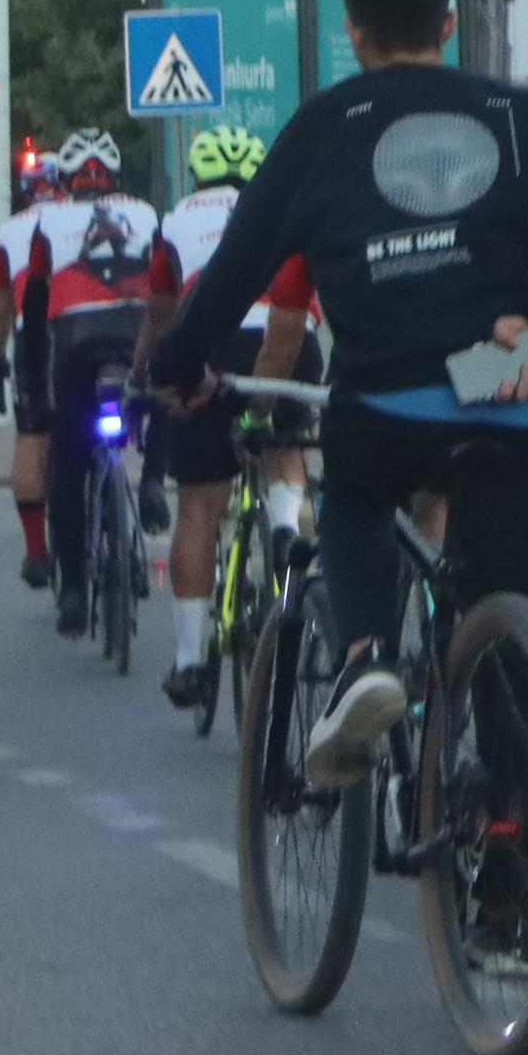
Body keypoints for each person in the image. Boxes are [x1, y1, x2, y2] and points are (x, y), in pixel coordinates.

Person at [155, 0, 528, 795]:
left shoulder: (322, 129)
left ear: (355, 31)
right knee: (505, 607)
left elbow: (236, 269)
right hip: (525, 396)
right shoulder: (519, 114)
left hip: (393, 404)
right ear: (449, 21)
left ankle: (367, 656)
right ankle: (510, 859)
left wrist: (179, 365)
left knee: (355, 494)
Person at [138, 122, 298, 714]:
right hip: (283, 332)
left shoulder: (176, 221)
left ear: (199, 176)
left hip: (208, 341)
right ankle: (284, 524)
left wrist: (145, 372)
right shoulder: (282, 203)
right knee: (285, 443)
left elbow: (160, 313)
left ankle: (189, 661)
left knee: (201, 504)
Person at [0, 129, 162, 634]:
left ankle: (71, 589)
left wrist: (29, 353)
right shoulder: (150, 215)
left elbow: (37, 295)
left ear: (65, 181)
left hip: (74, 340)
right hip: (138, 334)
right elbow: (167, 280)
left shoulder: (46, 221)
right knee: (167, 403)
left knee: (67, 461)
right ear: (115, 177)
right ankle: (153, 480)